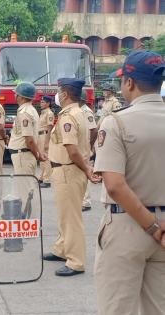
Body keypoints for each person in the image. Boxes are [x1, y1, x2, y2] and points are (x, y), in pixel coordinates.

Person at [94, 50, 165, 315]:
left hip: (129, 226)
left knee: (117, 308)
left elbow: (114, 185)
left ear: (130, 82)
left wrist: (152, 227)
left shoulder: (116, 123)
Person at [43, 78, 97, 277]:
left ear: (64, 94)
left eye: (59, 91)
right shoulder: (79, 112)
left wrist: (87, 169)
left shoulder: (68, 116)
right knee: (66, 215)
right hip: (69, 170)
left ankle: (75, 261)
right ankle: (62, 248)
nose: (57, 94)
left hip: (68, 169)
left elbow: (72, 149)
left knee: (71, 218)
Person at [8, 82, 46, 175]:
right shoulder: (31, 110)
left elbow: (29, 140)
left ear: (21, 97)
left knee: (23, 187)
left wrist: (37, 155)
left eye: (16, 94)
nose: (14, 96)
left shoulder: (24, 112)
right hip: (24, 154)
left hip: (23, 155)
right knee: (26, 187)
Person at [80, 90, 98, 212]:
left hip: (85, 146)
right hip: (81, 146)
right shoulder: (80, 110)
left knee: (85, 173)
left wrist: (89, 145)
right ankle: (81, 199)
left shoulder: (86, 111)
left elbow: (94, 130)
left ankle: (86, 202)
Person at [38, 95, 54, 188]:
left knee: (46, 158)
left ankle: (47, 180)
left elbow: (49, 127)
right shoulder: (43, 113)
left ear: (48, 103)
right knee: (41, 158)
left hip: (45, 135)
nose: (41, 103)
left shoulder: (49, 113)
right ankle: (42, 177)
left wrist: (47, 142)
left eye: (43, 102)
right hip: (40, 135)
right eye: (41, 102)